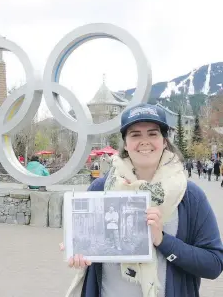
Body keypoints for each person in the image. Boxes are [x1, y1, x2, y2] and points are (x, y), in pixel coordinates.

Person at [61, 103, 223, 297]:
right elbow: (91, 249)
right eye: (135, 134)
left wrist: (161, 240)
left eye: (153, 134)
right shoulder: (101, 190)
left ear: (164, 141)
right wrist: (79, 250)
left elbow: (214, 264)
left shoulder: (189, 195)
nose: (144, 141)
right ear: (126, 144)